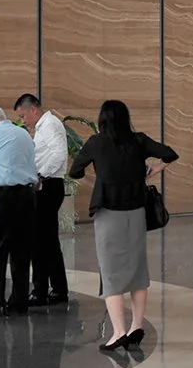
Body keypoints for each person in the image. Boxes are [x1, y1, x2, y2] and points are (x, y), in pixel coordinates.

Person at [70, 98, 178, 350]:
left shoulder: (96, 143)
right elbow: (169, 154)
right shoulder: (138, 140)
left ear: (102, 120)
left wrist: (96, 182)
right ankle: (136, 327)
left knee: (111, 273)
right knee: (138, 271)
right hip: (137, 213)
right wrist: (153, 171)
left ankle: (118, 332)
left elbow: (75, 171)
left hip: (109, 216)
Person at [0, 103, 38, 314]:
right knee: (22, 247)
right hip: (27, 195)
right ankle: (19, 301)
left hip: (3, 196)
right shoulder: (24, 134)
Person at [15, 93, 72, 309]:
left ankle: (42, 291)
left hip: (48, 187)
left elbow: (59, 154)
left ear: (33, 110)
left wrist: (41, 176)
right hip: (47, 186)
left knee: (40, 241)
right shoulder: (43, 126)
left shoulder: (50, 125)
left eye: (23, 116)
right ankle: (56, 288)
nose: (23, 121)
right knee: (46, 240)